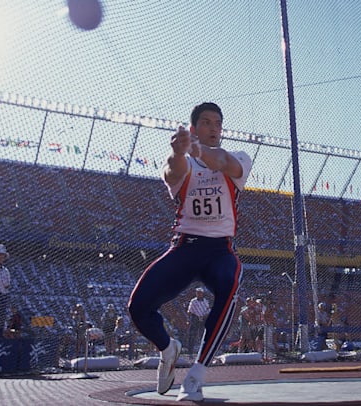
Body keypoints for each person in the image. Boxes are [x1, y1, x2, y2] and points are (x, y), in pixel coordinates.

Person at [127, 102, 252, 402]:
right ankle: (168, 348)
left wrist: (196, 150)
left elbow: (222, 162)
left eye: (218, 124)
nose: (214, 128)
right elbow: (173, 172)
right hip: (184, 247)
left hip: (220, 250)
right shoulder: (182, 161)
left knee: (230, 283)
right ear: (193, 128)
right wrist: (179, 152)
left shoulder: (240, 158)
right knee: (137, 307)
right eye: (206, 123)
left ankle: (196, 374)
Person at [186, 287, 211, 354]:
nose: (198, 294)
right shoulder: (193, 301)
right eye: (197, 292)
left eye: (200, 293)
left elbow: (208, 310)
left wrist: (204, 316)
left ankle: (203, 350)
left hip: (203, 319)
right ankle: (190, 351)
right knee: (192, 334)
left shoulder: (205, 301)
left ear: (202, 293)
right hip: (195, 318)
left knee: (202, 334)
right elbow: (189, 311)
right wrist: (189, 320)